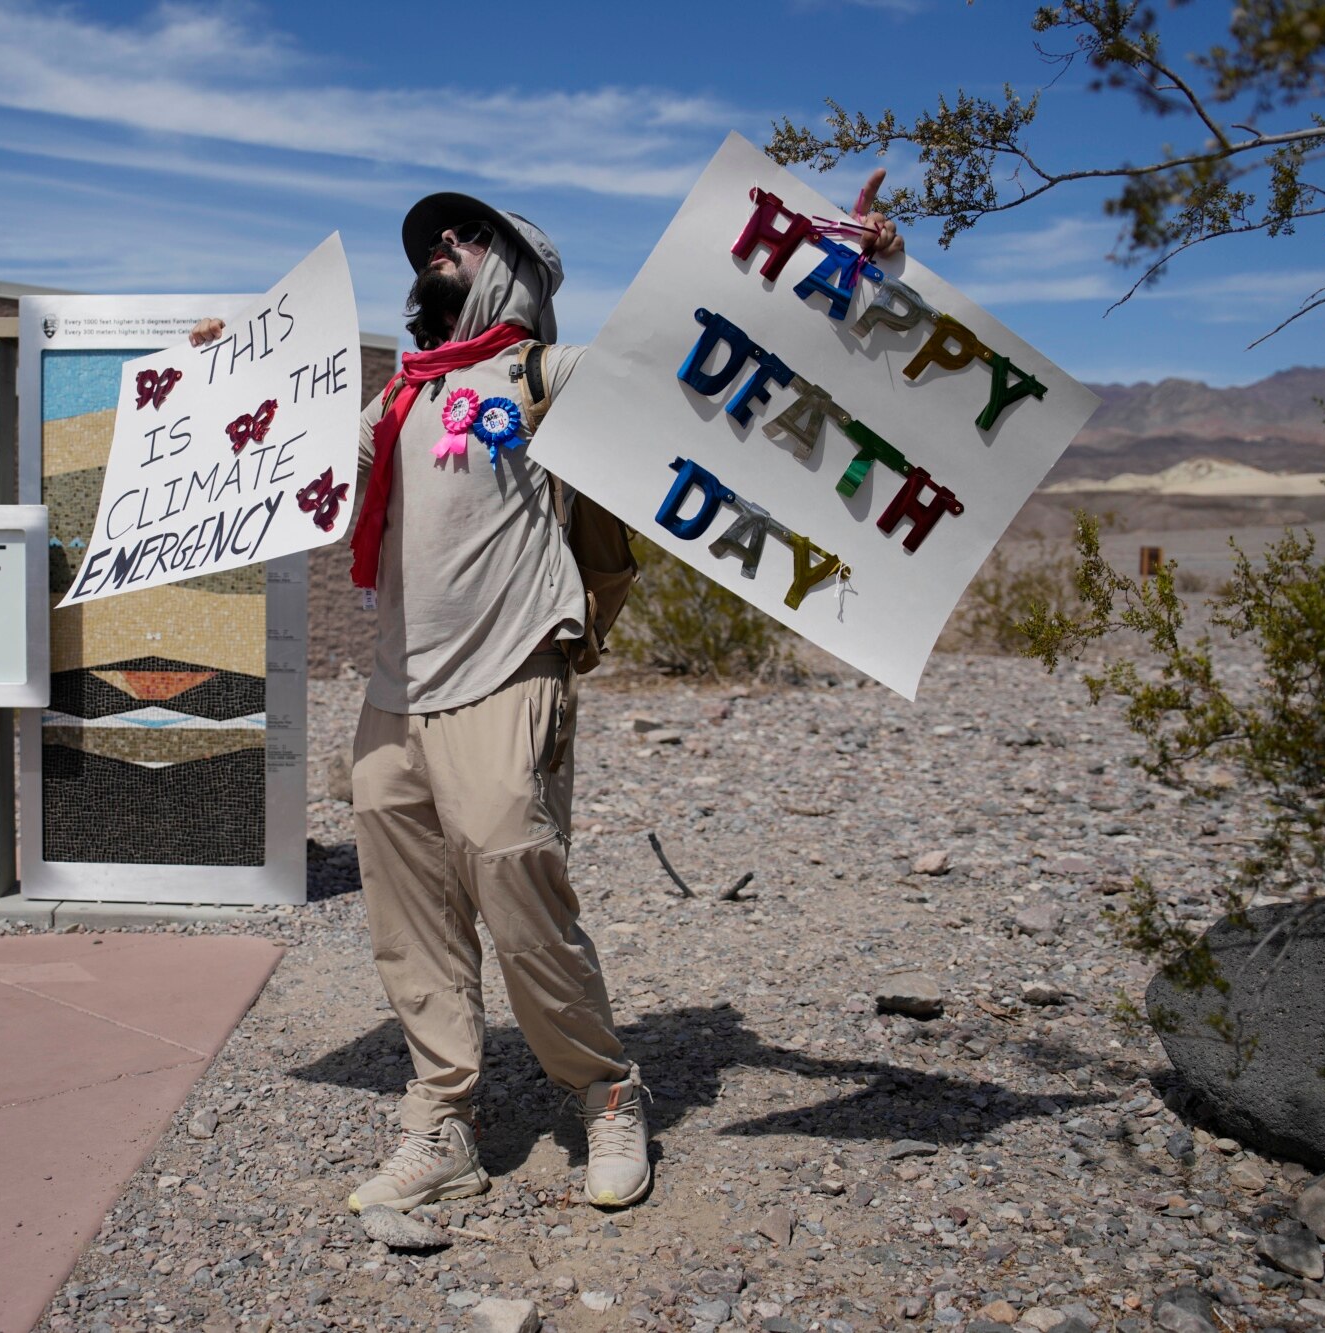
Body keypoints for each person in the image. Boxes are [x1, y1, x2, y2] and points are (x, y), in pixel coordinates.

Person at [191, 172, 898, 1213]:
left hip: (510, 671)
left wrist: (849, 269)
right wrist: (218, 377)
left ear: (515, 270)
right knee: (409, 913)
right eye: (430, 236)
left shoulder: (548, 375)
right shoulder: (396, 399)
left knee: (516, 881)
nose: (437, 241)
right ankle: (441, 1118)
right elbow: (284, 457)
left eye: (465, 234)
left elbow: (716, 381)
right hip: (395, 694)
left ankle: (604, 1090)